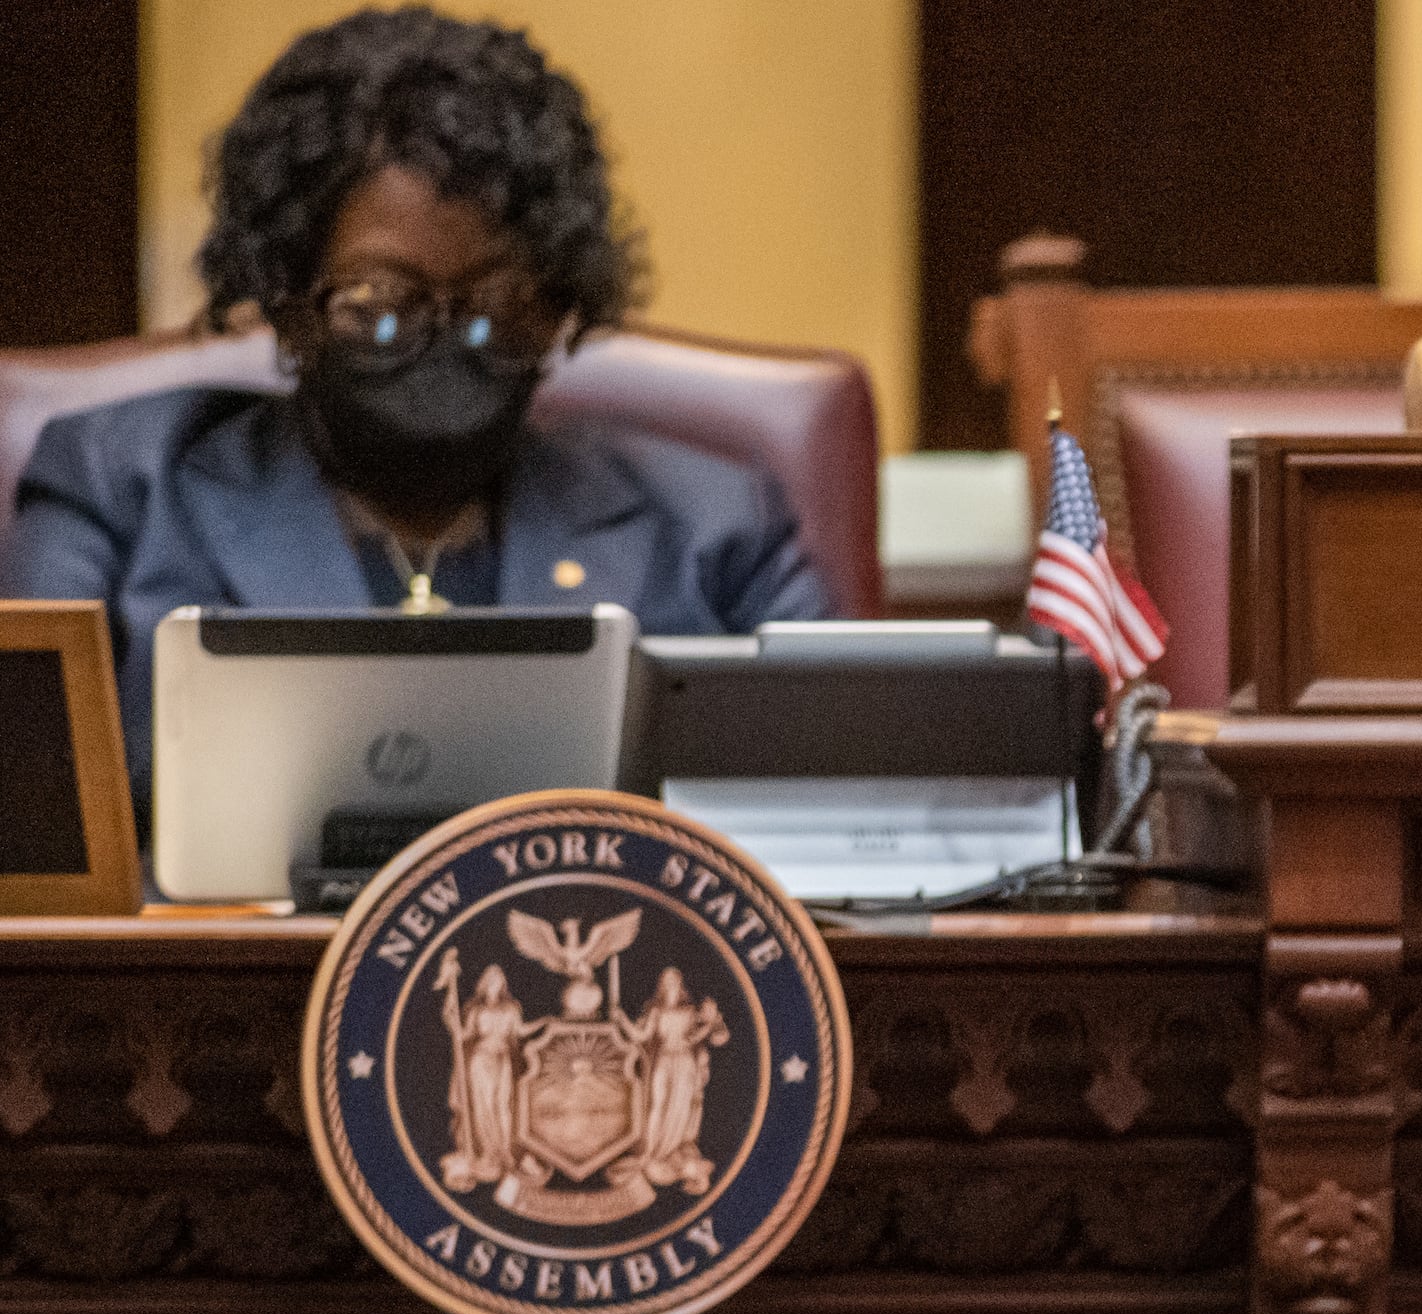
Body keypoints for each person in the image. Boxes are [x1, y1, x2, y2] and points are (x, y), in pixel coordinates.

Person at [1, 8, 831, 792]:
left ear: (558, 302)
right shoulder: (119, 489)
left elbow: (845, 812)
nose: (447, 344)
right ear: (288, 303)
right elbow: (34, 848)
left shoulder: (719, 525)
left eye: (495, 305)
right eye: (381, 303)